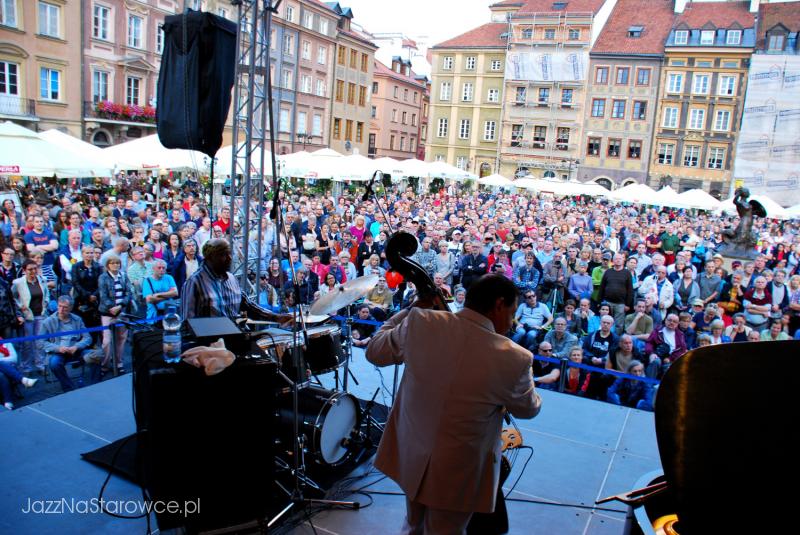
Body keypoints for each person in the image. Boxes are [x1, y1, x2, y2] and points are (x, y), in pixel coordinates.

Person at [366, 274, 541, 533]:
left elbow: (374, 350)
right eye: (513, 311)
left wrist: (412, 310)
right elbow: (529, 409)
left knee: (413, 524)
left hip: (412, 452)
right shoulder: (515, 358)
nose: (513, 321)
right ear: (499, 305)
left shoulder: (421, 323)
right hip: (460, 470)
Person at [181, 239, 292, 324]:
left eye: (230, 254)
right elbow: (188, 323)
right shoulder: (194, 283)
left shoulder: (231, 278)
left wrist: (275, 317)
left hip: (234, 339)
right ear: (211, 257)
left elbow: (248, 305)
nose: (230, 258)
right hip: (209, 348)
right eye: (224, 255)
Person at [38, 295, 95, 392]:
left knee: (97, 355)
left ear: (71, 308)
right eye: (59, 306)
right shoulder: (48, 322)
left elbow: (88, 338)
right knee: (54, 363)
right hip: (59, 352)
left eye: (65, 307)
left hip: (76, 350)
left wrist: (77, 346)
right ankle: (69, 387)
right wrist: (58, 348)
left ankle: (95, 383)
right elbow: (40, 342)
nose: (61, 309)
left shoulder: (77, 319)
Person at [12, 259, 50, 373]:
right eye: (30, 269)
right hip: (27, 316)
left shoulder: (42, 279)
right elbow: (13, 297)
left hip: (40, 314)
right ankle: (26, 366)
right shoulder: (17, 283)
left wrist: (46, 302)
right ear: (24, 270)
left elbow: (47, 293)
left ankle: (40, 365)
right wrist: (20, 306)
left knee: (40, 341)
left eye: (35, 268)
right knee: (27, 343)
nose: (33, 271)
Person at [97, 254, 133, 374]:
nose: (115, 265)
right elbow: (103, 295)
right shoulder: (103, 277)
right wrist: (112, 307)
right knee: (107, 341)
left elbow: (128, 292)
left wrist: (121, 306)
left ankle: (119, 363)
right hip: (108, 313)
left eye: (117, 263)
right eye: (112, 263)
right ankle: (105, 365)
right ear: (108, 265)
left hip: (122, 312)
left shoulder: (123, 276)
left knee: (121, 339)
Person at [599, 253, 634, 333]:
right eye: (616, 259)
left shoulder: (627, 273)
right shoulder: (608, 272)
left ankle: (616, 340)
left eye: (620, 259)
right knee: (605, 322)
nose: (618, 260)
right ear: (613, 261)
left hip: (621, 304)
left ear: (623, 260)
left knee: (619, 325)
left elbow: (630, 290)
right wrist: (600, 302)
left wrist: (628, 304)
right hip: (607, 302)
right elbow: (602, 287)